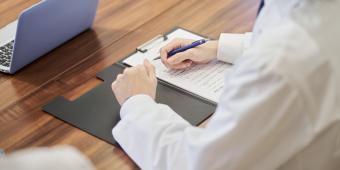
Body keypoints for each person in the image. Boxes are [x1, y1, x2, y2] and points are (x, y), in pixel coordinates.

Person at [111, 0, 340, 169]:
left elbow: (200, 165)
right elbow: (299, 28)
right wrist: (218, 48)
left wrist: (137, 104)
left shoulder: (279, 65)